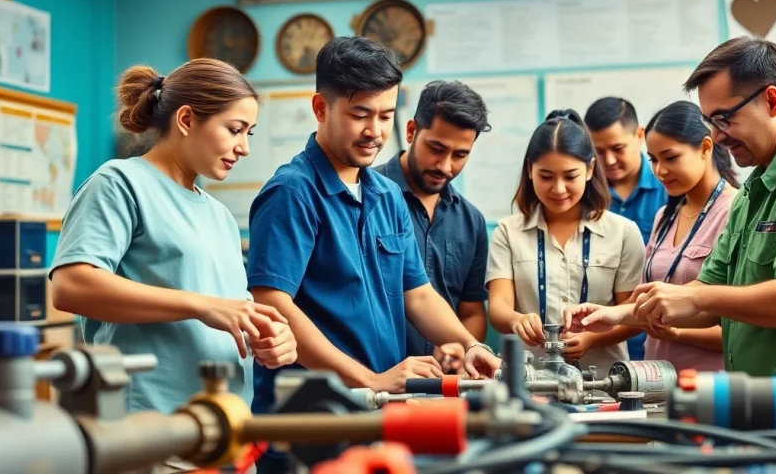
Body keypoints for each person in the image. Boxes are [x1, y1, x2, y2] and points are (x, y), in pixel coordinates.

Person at [569, 37, 776, 448]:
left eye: (724, 120)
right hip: (756, 407)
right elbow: (706, 290)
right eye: (710, 123)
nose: (717, 138)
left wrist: (698, 300)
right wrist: (621, 316)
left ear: (771, 100)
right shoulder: (757, 190)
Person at [245, 36, 500, 414]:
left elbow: (418, 294)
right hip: (310, 418)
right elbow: (273, 304)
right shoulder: (292, 192)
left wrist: (470, 345)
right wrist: (370, 380)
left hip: (381, 411)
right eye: (360, 114)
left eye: (385, 115)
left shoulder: (387, 194)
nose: (375, 131)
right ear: (320, 108)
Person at [49, 59, 297, 424]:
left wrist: (274, 338)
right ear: (185, 120)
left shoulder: (220, 216)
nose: (243, 147)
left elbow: (231, 311)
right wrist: (201, 306)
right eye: (234, 129)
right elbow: (71, 287)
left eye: (250, 133)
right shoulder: (119, 183)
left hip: (227, 431)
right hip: (151, 430)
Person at [564, 100, 738, 373]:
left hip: (708, 386)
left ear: (705, 147)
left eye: (670, 158)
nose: (660, 171)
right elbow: (645, 303)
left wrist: (679, 332)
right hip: (654, 380)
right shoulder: (665, 215)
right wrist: (604, 314)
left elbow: (744, 328)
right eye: (654, 160)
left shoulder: (735, 213)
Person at [486, 109, 645, 373]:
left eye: (570, 176)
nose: (558, 189)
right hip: (531, 381)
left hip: (605, 384)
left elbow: (631, 315)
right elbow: (498, 307)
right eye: (546, 176)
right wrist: (517, 320)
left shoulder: (623, 232)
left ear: (590, 169)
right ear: (529, 170)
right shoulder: (507, 231)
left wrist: (593, 338)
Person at [373, 80, 492, 372]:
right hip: (376, 378)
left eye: (460, 155)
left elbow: (472, 311)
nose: (446, 165)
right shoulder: (366, 197)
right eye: (436, 148)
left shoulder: (471, 221)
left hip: (445, 384)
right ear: (411, 131)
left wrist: (462, 348)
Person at [584, 97, 667, 361]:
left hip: (658, 341)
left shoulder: (670, 188)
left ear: (639, 134)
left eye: (617, 148)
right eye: (598, 151)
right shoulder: (581, 195)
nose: (608, 160)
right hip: (598, 350)